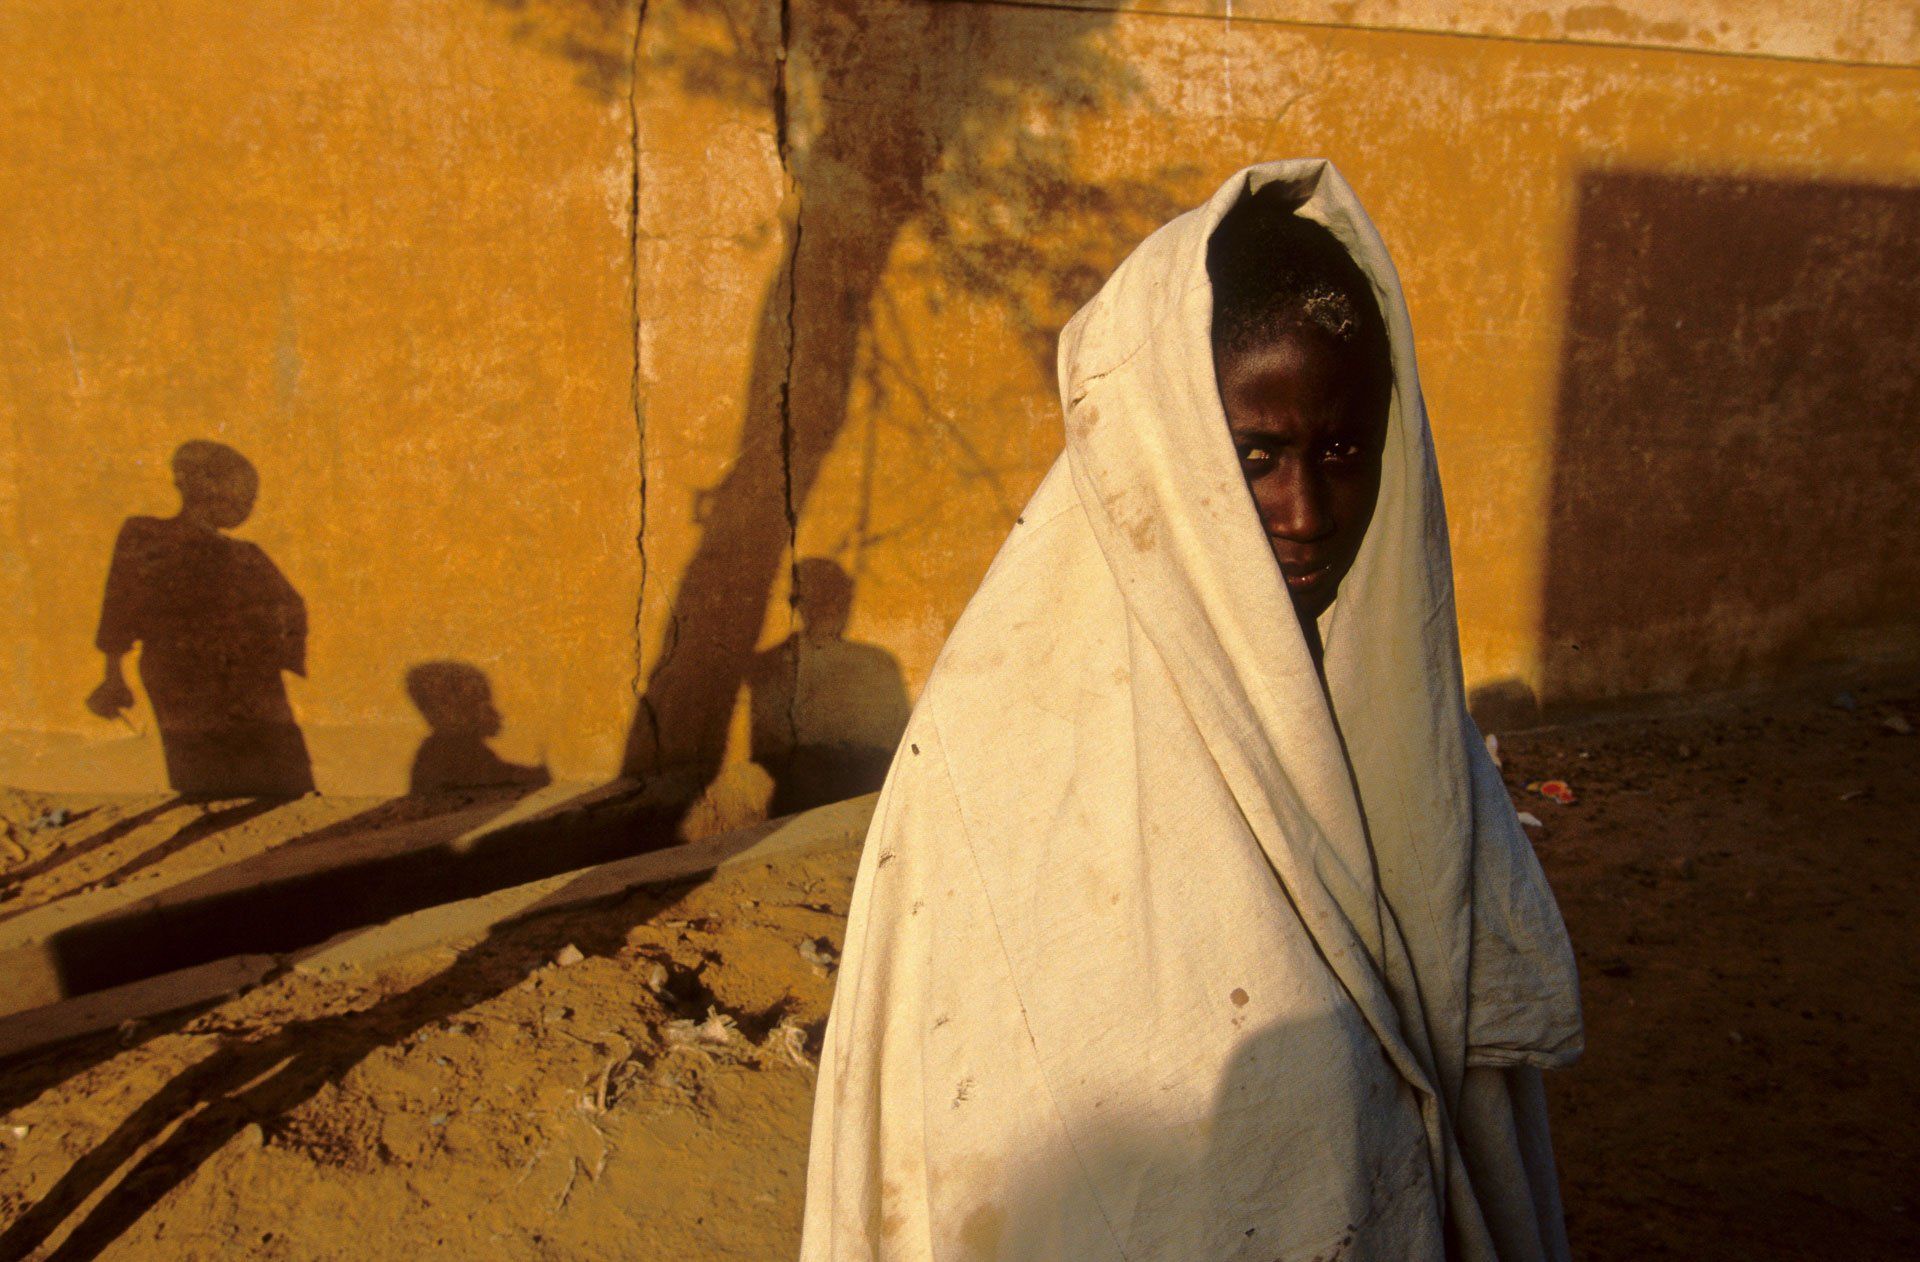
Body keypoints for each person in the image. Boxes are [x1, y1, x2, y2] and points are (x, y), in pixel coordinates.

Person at [798, 159, 1583, 1261]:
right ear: (1162, 443)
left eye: (1343, 452)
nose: (1305, 511)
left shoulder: (1398, 723)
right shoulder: (1000, 743)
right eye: (1255, 458)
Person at [87, 440, 315, 799]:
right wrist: (113, 675)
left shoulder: (246, 556)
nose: (247, 507)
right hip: (185, 677)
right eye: (242, 497)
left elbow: (290, 609)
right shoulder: (146, 534)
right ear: (210, 490)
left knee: (273, 786)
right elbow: (119, 607)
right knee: (216, 784)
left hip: (242, 681)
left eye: (250, 500)